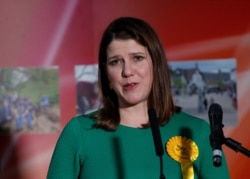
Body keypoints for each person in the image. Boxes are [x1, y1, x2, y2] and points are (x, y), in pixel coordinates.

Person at [47, 17, 230, 178]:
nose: (127, 71)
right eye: (116, 61)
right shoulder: (79, 133)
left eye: (137, 58)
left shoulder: (196, 131)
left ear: (155, 64)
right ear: (106, 72)